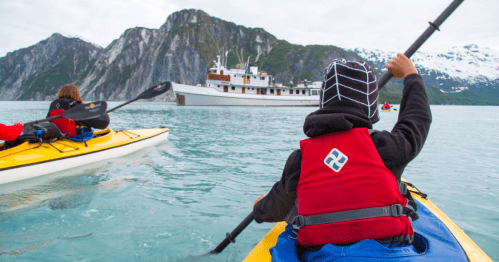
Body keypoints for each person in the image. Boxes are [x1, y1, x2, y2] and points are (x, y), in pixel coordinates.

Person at [252, 54, 432, 260]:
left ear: (324, 101)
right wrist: (411, 76)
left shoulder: (300, 160)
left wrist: (259, 208)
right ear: (370, 104)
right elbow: (416, 120)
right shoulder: (386, 148)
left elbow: (276, 207)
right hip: (386, 253)